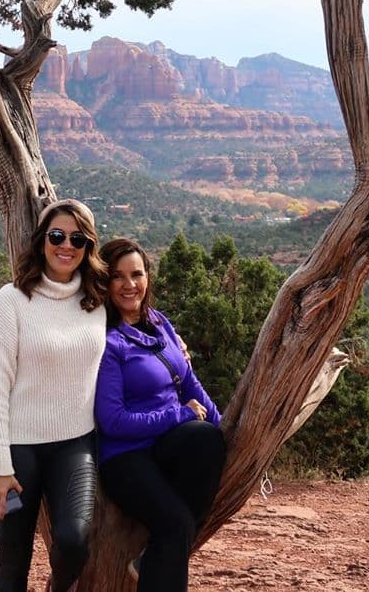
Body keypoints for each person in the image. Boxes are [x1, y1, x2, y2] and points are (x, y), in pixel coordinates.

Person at [0, 199, 108, 592]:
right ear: (41, 241)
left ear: (88, 247)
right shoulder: (12, 300)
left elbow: (142, 320)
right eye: (57, 236)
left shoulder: (96, 300)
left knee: (74, 542)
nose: (66, 245)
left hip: (75, 443)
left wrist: (176, 348)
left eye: (77, 239)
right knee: (13, 561)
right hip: (17, 451)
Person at [94, 238, 226, 592]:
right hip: (125, 457)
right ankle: (159, 554)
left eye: (136, 274)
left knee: (209, 439)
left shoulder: (159, 322)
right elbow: (112, 420)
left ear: (148, 278)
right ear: (105, 282)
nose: (129, 284)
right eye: (118, 277)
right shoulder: (107, 342)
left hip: (165, 447)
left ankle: (153, 558)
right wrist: (177, 416)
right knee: (176, 525)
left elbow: (188, 383)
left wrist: (221, 426)